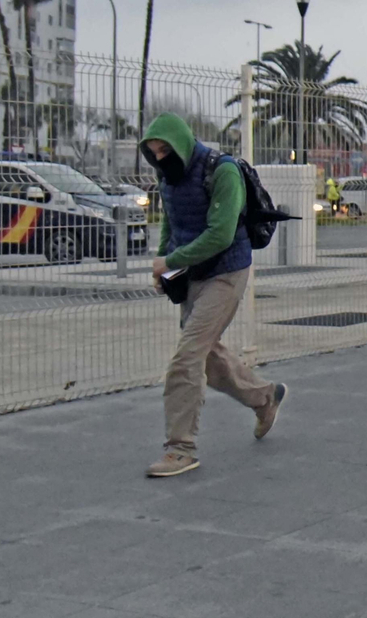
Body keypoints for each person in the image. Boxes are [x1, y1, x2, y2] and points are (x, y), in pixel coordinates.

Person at [141, 112, 285, 478]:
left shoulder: (221, 172)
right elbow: (171, 223)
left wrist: (171, 260)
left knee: (186, 357)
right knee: (206, 357)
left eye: (165, 150)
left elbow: (221, 235)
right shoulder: (167, 175)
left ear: (182, 143)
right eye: (153, 152)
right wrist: (165, 268)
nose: (160, 158)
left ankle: (180, 448)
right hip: (192, 273)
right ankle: (264, 397)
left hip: (226, 273)